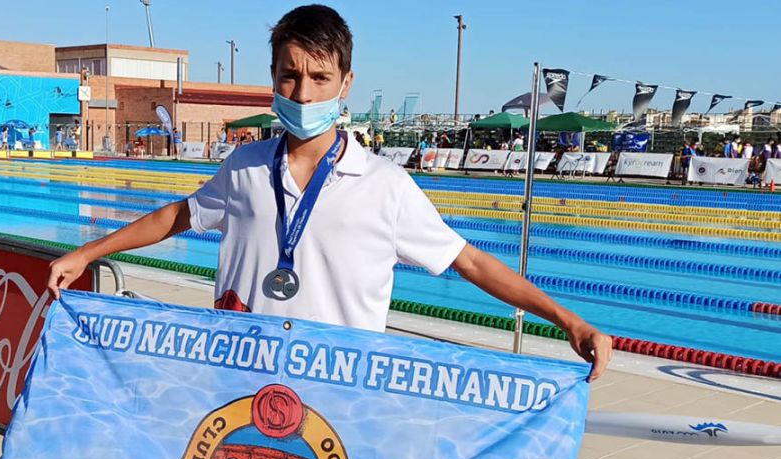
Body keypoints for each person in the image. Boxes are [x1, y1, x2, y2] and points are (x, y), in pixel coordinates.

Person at [48, 4, 611, 380]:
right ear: (273, 79)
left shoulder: (385, 186)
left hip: (338, 393)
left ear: (345, 84)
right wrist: (86, 252)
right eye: (289, 76)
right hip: (238, 377)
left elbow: (470, 262)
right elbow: (176, 215)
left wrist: (568, 320)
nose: (302, 90)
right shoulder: (244, 166)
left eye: (320, 78)